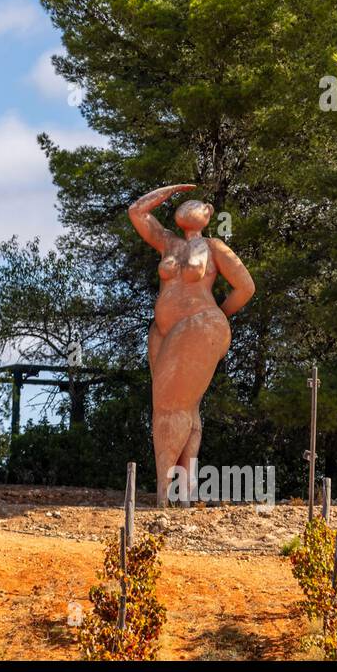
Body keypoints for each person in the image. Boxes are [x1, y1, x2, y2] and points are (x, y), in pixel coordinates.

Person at [128, 184, 255, 507]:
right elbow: (137, 212)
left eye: (196, 202)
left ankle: (163, 493)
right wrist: (168, 192)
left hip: (199, 327)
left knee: (173, 406)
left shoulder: (213, 247)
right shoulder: (168, 242)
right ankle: (183, 493)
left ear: (208, 213)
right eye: (183, 202)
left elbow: (245, 286)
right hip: (163, 331)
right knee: (174, 406)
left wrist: (216, 317)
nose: (188, 204)